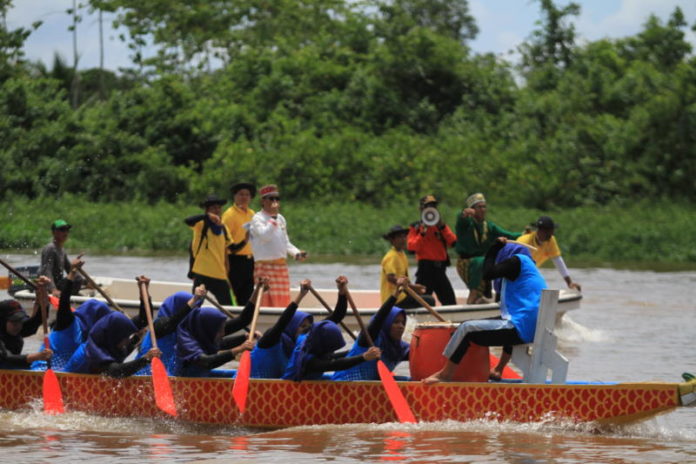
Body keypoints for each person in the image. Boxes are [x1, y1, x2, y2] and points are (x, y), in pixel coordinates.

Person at [424, 239, 546, 384]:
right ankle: (495, 370)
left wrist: (493, 249)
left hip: (521, 328)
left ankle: (446, 375)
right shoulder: (528, 271)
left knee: (466, 329)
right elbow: (508, 317)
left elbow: (488, 273)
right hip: (529, 328)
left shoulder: (517, 261)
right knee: (469, 325)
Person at [282, 280, 381, 381]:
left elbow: (338, 315)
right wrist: (363, 357)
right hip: (290, 389)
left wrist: (342, 293)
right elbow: (334, 364)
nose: (330, 351)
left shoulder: (315, 333)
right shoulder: (307, 358)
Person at [251, 276, 348, 379]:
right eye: (302, 326)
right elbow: (282, 322)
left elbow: (336, 317)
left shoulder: (304, 345)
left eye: (309, 327)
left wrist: (342, 292)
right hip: (253, 382)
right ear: (291, 326)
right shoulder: (271, 339)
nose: (306, 330)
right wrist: (301, 295)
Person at [31, 258, 113, 370]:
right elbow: (64, 300)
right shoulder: (68, 322)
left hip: (63, 373)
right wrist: (72, 272)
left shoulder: (89, 333)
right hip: (41, 371)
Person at [333, 278, 410, 381]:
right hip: (344, 384)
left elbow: (420, 353)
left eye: (403, 323)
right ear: (385, 324)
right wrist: (396, 293)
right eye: (396, 322)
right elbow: (379, 318)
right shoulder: (369, 338)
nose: (401, 326)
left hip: (369, 389)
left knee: (411, 380)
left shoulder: (401, 348)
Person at [454, 193, 521, 304]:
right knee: (482, 263)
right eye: (479, 207)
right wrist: (464, 214)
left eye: (484, 207)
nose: (482, 210)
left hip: (481, 264)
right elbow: (461, 219)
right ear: (472, 209)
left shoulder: (489, 226)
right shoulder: (466, 224)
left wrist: (525, 234)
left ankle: (489, 300)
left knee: (500, 262)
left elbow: (508, 235)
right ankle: (471, 300)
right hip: (466, 263)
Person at [246, 184, 307, 307]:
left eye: (277, 199)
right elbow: (264, 236)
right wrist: (273, 218)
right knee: (265, 300)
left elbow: (285, 242)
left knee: (282, 301)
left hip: (280, 267)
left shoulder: (281, 219)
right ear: (263, 201)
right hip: (264, 266)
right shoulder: (257, 218)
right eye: (271, 199)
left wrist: (296, 253)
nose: (275, 202)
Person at [134, 284, 207, 376]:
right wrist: (194, 299)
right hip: (142, 377)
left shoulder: (183, 330)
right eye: (192, 310)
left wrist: (201, 294)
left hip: (166, 376)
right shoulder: (159, 325)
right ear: (179, 307)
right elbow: (173, 321)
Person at [185, 194, 245, 306]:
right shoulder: (201, 224)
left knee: (229, 307)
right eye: (213, 208)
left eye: (218, 208)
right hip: (202, 273)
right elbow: (188, 220)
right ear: (207, 210)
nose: (217, 210)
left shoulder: (223, 228)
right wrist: (207, 217)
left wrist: (245, 240)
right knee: (194, 306)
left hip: (219, 275)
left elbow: (233, 248)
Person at [62, 311, 161, 378]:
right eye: (125, 337)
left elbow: (144, 319)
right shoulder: (93, 351)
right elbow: (117, 372)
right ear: (114, 335)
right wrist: (145, 359)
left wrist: (136, 339)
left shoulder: (106, 343)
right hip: (70, 385)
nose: (127, 340)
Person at [175, 306, 256, 378]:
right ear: (208, 329)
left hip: (201, 377)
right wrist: (239, 349)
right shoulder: (188, 345)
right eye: (220, 330)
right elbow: (207, 362)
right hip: (184, 385)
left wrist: (244, 337)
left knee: (249, 374)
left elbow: (222, 343)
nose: (223, 333)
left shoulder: (201, 333)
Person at [407, 195, 457, 306]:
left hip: (440, 270)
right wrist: (422, 232)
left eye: (433, 206)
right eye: (427, 206)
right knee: (421, 302)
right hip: (425, 270)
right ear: (421, 209)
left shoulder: (440, 227)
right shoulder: (416, 227)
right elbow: (411, 247)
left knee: (450, 302)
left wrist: (442, 227)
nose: (431, 209)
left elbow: (453, 242)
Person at [516, 216, 582, 291]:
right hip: (515, 271)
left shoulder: (550, 240)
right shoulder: (524, 242)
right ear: (539, 231)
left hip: (530, 273)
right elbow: (513, 263)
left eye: (551, 231)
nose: (550, 235)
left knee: (540, 286)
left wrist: (569, 283)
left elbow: (558, 261)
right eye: (547, 232)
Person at [0, 278, 53, 369]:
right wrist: (37, 356)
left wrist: (43, 294)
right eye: (14, 322)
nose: (19, 326)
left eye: (20, 321)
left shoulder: (16, 328)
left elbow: (38, 320)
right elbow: (6, 358)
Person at [381, 225, 434, 309]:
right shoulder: (391, 256)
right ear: (392, 240)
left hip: (402, 295)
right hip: (394, 299)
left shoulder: (402, 255)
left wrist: (413, 288)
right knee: (430, 301)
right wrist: (413, 287)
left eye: (404, 236)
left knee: (426, 297)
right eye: (399, 237)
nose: (403, 239)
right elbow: (390, 277)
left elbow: (404, 279)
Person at [222, 182, 257, 305]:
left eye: (247, 195)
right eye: (241, 194)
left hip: (249, 260)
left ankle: (244, 320)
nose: (244, 197)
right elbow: (225, 242)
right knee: (234, 293)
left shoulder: (252, 214)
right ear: (235, 196)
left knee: (247, 295)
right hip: (234, 260)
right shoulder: (229, 215)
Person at [39, 219, 84, 297]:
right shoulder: (50, 248)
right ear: (53, 233)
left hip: (58, 283)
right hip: (49, 285)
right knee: (77, 279)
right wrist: (53, 289)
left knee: (78, 277)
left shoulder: (61, 249)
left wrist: (76, 267)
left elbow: (69, 269)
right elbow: (46, 270)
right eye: (62, 230)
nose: (65, 233)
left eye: (67, 230)